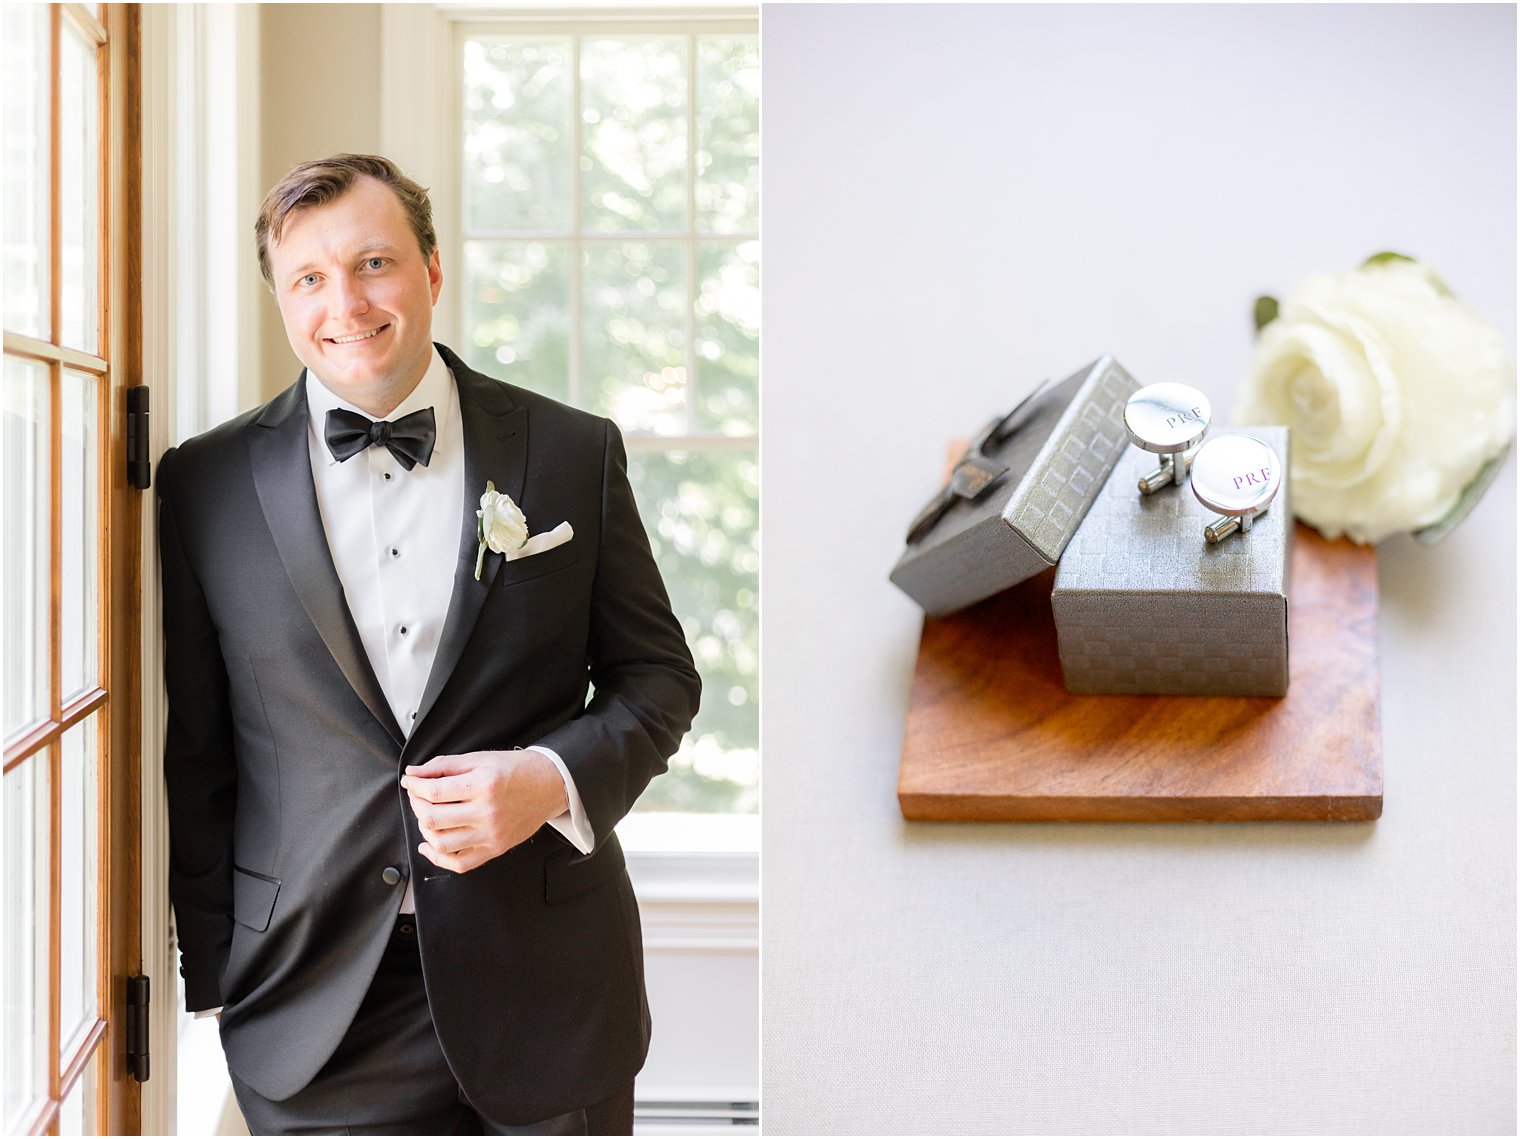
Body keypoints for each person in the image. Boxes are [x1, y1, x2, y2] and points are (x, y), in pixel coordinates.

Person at [157, 153, 700, 1135]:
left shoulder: (570, 451)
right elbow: (199, 754)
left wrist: (546, 778)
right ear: (279, 296)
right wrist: (210, 986)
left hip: (548, 989)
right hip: (314, 1005)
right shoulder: (204, 484)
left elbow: (657, 677)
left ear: (433, 270)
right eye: (309, 278)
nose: (346, 302)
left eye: (374, 263)